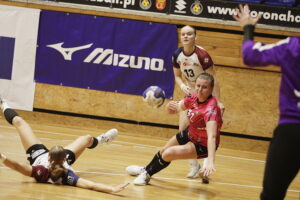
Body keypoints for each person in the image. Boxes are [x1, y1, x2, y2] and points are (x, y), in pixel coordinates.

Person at [233, 4, 300, 200]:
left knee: (272, 195)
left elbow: (250, 54)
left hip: (292, 130)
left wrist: (248, 28)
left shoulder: (292, 46)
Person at [0, 98, 129, 193]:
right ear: (65, 159)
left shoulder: (41, 171)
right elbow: (90, 185)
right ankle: (100, 140)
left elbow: (16, 166)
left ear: (49, 157)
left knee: (18, 122)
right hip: (55, 159)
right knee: (87, 138)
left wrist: (1, 156)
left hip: (37, 155)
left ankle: (3, 103)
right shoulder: (67, 175)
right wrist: (111, 188)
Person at [126, 72, 223, 185]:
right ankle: (146, 169)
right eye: (198, 86)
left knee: (168, 153)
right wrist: (170, 108)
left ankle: (146, 175)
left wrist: (211, 161)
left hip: (203, 144)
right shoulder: (193, 97)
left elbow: (212, 137)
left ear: (211, 89)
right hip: (191, 133)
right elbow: (177, 108)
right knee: (163, 151)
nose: (200, 90)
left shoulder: (211, 109)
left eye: (204, 87)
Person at [172, 25, 225, 179]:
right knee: (183, 131)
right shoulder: (177, 54)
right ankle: (194, 166)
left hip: (205, 97)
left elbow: (213, 79)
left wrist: (218, 102)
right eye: (183, 34)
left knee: (207, 133)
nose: (186, 37)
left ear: (196, 36)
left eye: (189, 34)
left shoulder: (202, 55)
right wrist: (182, 85)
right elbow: (176, 76)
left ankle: (206, 167)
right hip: (190, 96)